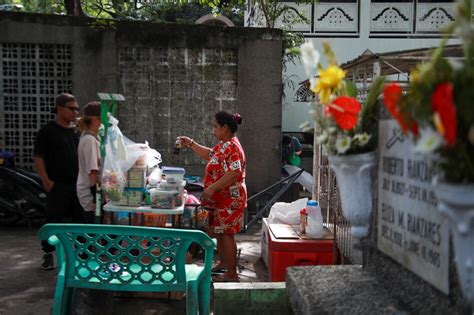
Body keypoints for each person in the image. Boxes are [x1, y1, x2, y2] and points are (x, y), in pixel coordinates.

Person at [178, 111, 246, 282]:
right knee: (220, 232)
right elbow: (210, 154)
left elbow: (235, 172)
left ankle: (231, 274)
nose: (213, 130)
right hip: (221, 199)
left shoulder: (233, 147)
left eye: (215, 126)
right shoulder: (224, 145)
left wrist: (212, 188)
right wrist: (191, 144)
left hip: (230, 199)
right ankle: (224, 264)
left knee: (227, 234)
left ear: (225, 127)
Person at [33, 93, 82, 270]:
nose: (75, 112)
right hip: (57, 183)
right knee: (54, 219)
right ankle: (48, 253)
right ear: (59, 108)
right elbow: (38, 158)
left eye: (77, 108)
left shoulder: (76, 131)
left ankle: (75, 256)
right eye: (71, 108)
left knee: (78, 219)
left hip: (77, 184)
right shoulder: (47, 131)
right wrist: (46, 180)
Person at [76, 102, 101, 224]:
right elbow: (93, 171)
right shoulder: (89, 140)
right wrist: (96, 197)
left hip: (90, 191)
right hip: (90, 194)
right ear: (96, 120)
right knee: (92, 233)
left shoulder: (90, 137)